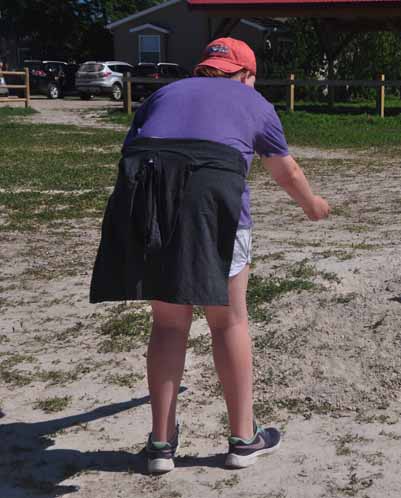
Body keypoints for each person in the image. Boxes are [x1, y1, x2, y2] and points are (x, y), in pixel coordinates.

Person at [89, 37, 330, 474]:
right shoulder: (251, 100)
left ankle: (161, 446)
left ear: (204, 69)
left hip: (150, 208)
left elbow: (136, 149)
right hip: (215, 211)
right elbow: (285, 170)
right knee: (228, 321)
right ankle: (243, 439)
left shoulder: (164, 93)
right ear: (247, 75)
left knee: (167, 324)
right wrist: (313, 205)